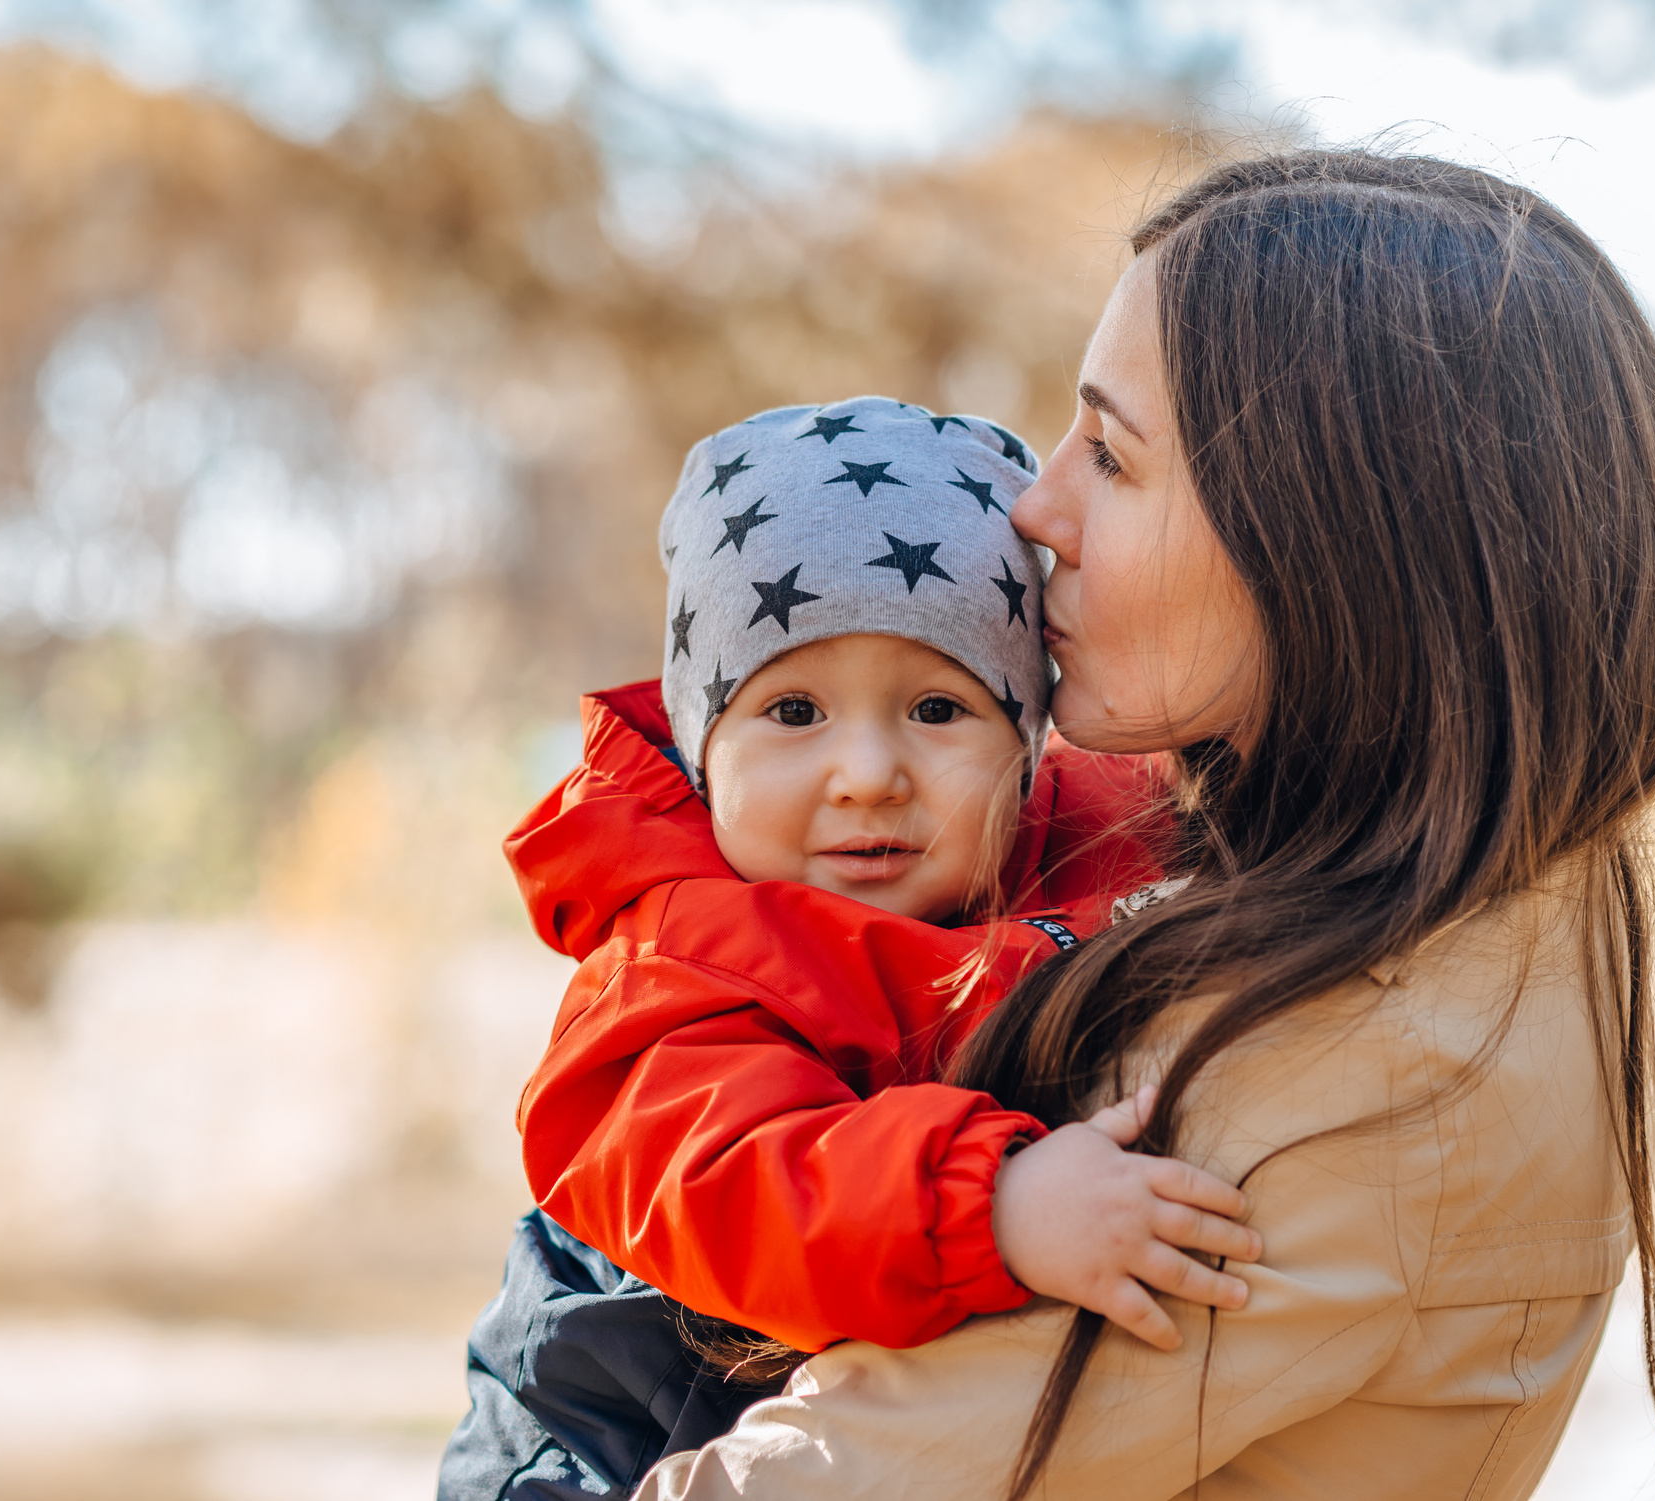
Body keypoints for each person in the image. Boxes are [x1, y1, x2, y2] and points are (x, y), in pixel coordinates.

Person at [620, 148, 1655, 1499]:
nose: (1040, 508)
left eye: (1112, 456)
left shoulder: (1348, 1070)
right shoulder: (1489, 899)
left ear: (1330, 543)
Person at [440, 399, 1260, 1501]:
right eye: (791, 711)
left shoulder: (1097, 850)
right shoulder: (675, 956)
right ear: (701, 748)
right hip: (612, 1429)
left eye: (935, 705)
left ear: (1024, 747)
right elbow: (737, 1179)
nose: (868, 770)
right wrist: (996, 1202)